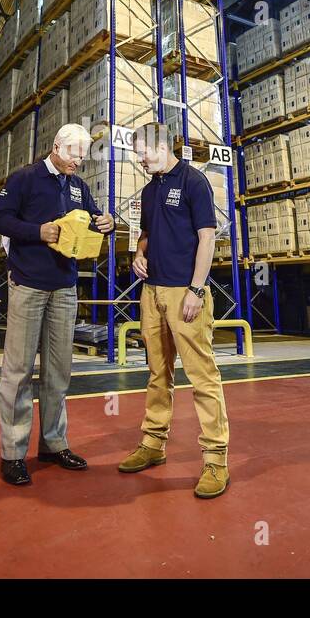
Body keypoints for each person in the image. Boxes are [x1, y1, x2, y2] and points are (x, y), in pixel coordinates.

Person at [0, 122, 115, 486]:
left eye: (83, 154)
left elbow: (90, 221)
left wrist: (104, 223)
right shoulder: (25, 178)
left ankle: (53, 443)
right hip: (28, 283)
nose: (80, 160)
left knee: (58, 372)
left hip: (65, 287)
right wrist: (37, 232)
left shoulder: (79, 187)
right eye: (75, 153)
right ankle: (12, 453)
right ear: (57, 147)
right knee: (19, 371)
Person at [119, 122, 231, 498]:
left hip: (185, 291)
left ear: (162, 146)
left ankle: (216, 460)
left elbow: (206, 237)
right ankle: (153, 444)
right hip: (151, 294)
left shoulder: (194, 181)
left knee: (202, 377)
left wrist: (197, 289)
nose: (139, 159)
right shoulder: (150, 191)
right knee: (157, 373)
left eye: (143, 152)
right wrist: (138, 252)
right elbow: (147, 233)